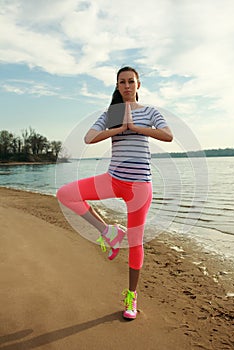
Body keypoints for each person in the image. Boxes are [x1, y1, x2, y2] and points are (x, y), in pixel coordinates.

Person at [56, 66, 173, 320]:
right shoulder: (110, 114)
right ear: (117, 86)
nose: (127, 86)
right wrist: (120, 128)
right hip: (113, 180)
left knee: (135, 242)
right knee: (66, 194)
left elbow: (168, 135)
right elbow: (88, 138)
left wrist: (136, 127)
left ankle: (131, 297)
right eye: (122, 82)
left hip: (140, 187)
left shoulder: (151, 112)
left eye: (131, 81)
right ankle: (108, 231)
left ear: (138, 85)